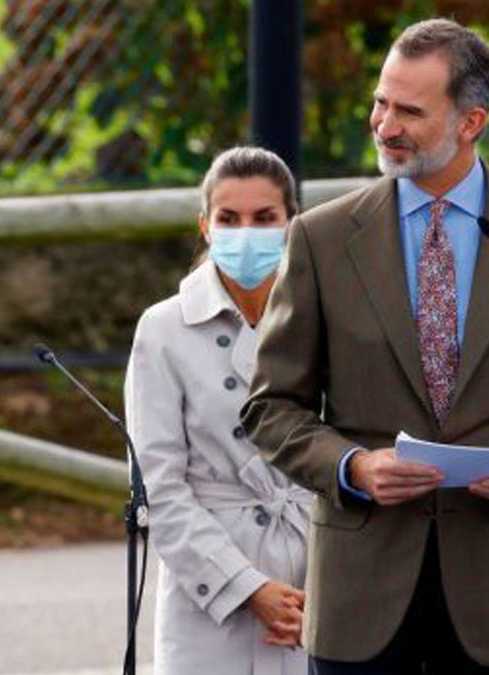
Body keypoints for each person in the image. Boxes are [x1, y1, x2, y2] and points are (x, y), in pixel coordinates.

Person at [241, 18, 489, 674]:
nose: (384, 124)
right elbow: (270, 406)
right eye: (380, 101)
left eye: (409, 111)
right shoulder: (322, 239)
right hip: (358, 601)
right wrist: (352, 466)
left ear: (471, 121)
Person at [125, 146, 313, 674]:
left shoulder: (323, 319)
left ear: (290, 223)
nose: (245, 232)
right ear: (204, 225)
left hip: (312, 578)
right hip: (208, 590)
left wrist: (320, 591)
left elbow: (349, 454)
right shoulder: (163, 329)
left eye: (264, 218)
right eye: (229, 218)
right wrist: (246, 587)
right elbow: (158, 486)